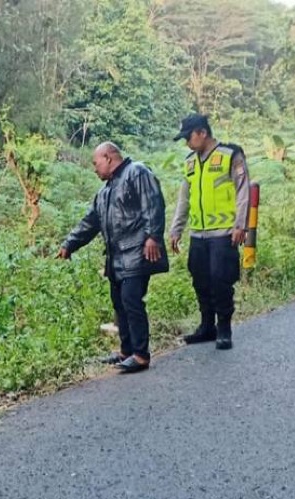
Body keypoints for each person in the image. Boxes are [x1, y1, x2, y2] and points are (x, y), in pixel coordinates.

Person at [58, 142, 168, 373]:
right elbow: (91, 222)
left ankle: (141, 355)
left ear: (108, 158)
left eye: (95, 163)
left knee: (131, 300)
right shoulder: (105, 191)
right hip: (116, 257)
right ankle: (126, 351)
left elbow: (153, 203)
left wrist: (152, 237)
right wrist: (70, 243)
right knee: (119, 303)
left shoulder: (136, 172)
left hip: (137, 251)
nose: (94, 168)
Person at [169, 114, 250, 350]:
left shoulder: (230, 155)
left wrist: (240, 225)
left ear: (202, 132)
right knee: (200, 280)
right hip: (198, 233)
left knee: (220, 280)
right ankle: (207, 326)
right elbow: (184, 199)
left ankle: (224, 327)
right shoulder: (190, 162)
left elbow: (243, 190)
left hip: (224, 233)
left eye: (189, 137)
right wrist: (176, 229)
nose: (187, 143)